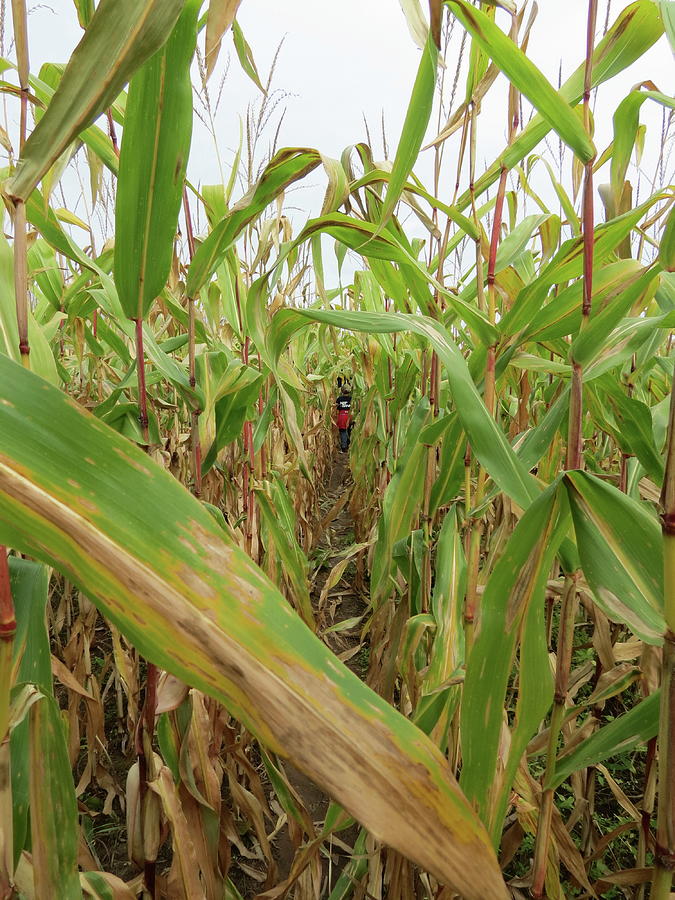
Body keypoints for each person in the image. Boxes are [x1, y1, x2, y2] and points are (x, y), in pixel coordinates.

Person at [335, 383, 352, 452]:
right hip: (350, 415)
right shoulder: (351, 399)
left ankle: (344, 447)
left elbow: (336, 406)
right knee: (350, 430)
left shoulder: (339, 399)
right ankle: (349, 445)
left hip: (342, 416)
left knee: (343, 432)